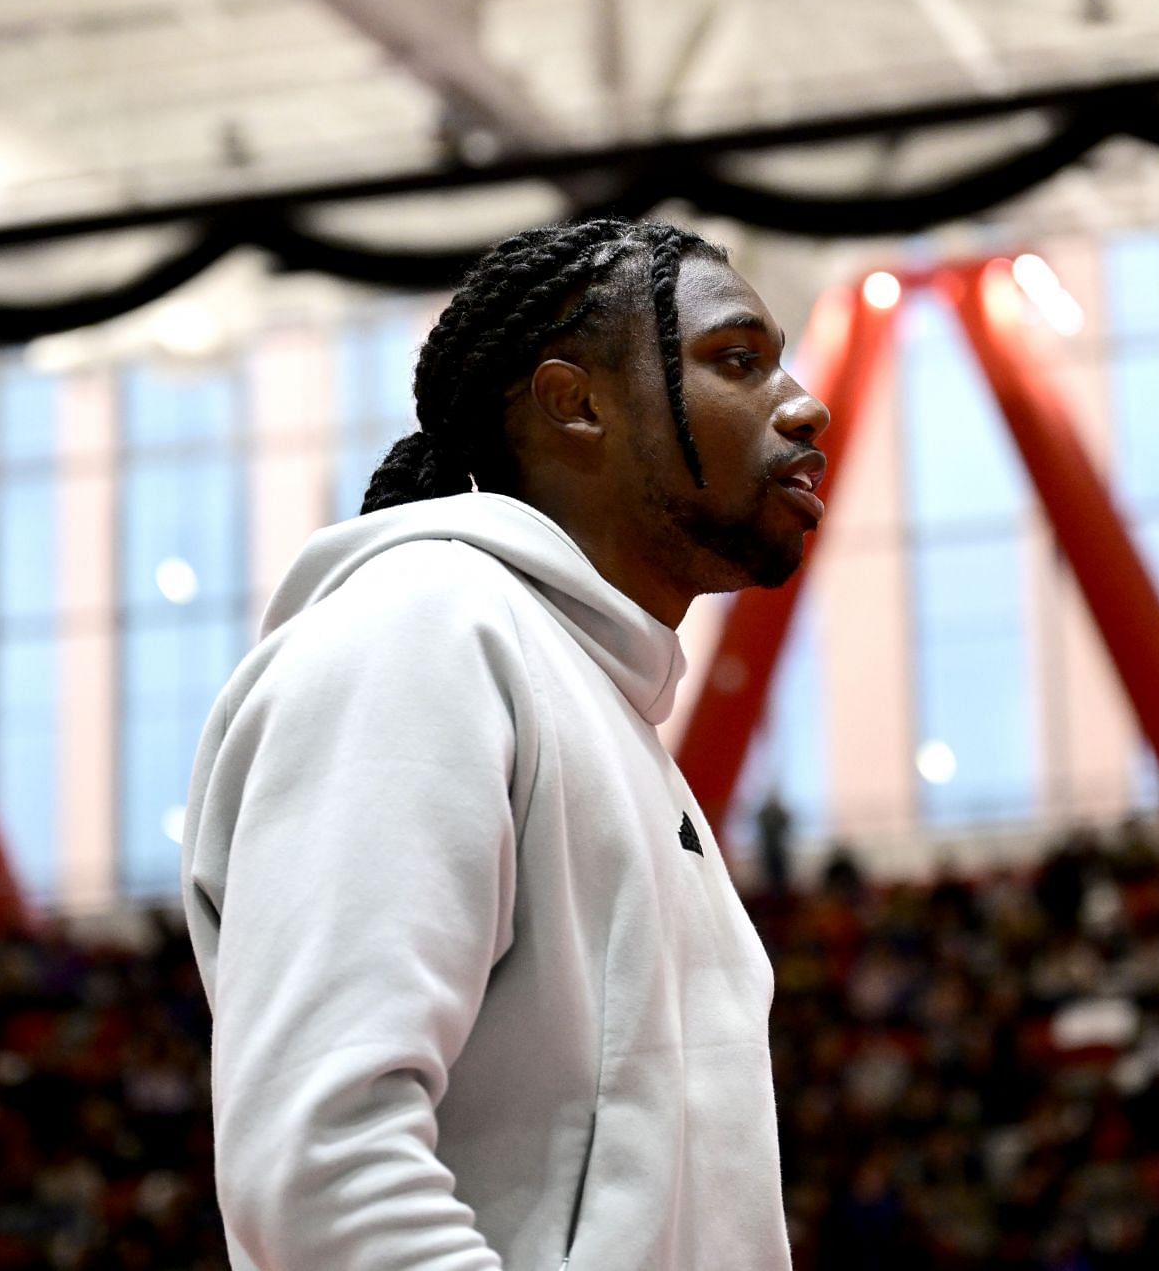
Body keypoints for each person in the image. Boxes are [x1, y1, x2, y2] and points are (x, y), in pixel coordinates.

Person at [179, 217, 829, 1270]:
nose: (804, 403)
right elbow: (324, 1162)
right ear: (578, 405)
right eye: (739, 360)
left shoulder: (594, 695)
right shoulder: (427, 624)